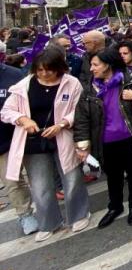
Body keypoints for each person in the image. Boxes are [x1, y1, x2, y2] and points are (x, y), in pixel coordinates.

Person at [0, 47, 90, 242]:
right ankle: (49, 222)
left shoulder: (71, 83)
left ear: (59, 67)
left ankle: (79, 214)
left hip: (63, 137)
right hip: (34, 141)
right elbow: (6, 111)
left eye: (48, 69)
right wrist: (23, 119)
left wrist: (62, 124)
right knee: (40, 184)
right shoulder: (24, 85)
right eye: (40, 70)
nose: (44, 74)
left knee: (72, 178)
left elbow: (80, 109)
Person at [74, 47, 132, 228]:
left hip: (131, 138)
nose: (92, 69)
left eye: (95, 65)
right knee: (113, 177)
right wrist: (82, 144)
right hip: (105, 141)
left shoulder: (131, 80)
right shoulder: (89, 89)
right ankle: (115, 206)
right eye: (91, 65)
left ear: (108, 65)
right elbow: (82, 118)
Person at [0, 62, 38, 235]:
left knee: (38, 175)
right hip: (2, 144)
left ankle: (49, 206)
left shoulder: (14, 75)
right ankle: (25, 213)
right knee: (12, 180)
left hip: (24, 135)